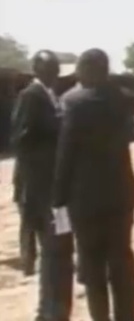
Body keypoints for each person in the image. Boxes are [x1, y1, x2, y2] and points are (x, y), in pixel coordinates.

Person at [53, 48, 134, 321]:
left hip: (85, 198)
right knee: (122, 263)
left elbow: (66, 154)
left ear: (89, 70)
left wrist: (58, 198)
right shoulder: (124, 100)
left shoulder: (74, 103)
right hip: (121, 194)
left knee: (92, 268)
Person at [12, 50, 75, 321]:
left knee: (58, 252)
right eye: (48, 69)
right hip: (41, 189)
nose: (54, 74)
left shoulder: (50, 97)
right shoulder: (31, 97)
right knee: (52, 251)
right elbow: (22, 140)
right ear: (37, 70)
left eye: (56, 69)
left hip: (53, 188)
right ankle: (49, 311)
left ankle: (52, 309)